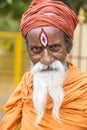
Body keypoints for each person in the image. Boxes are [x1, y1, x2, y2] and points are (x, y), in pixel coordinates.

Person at [0, 0, 87, 129]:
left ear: (69, 46)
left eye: (55, 48)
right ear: (28, 50)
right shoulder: (26, 87)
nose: (46, 60)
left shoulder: (83, 90)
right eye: (36, 50)